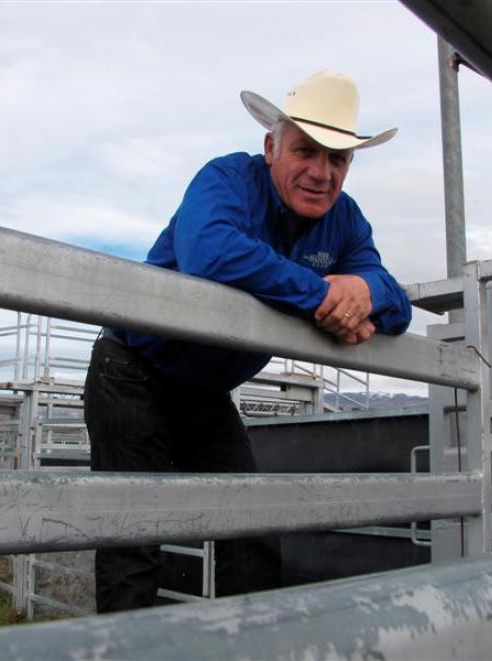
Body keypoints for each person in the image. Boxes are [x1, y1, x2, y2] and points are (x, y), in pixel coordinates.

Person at [84, 69, 412, 613]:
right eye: (306, 151)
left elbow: (394, 301)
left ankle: (250, 647)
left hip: (207, 392)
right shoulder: (228, 178)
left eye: (338, 159)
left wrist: (361, 288)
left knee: (252, 526)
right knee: (132, 537)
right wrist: (321, 296)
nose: (321, 173)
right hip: (134, 370)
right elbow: (209, 253)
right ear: (271, 147)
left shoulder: (347, 220)